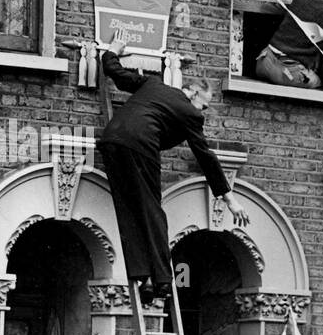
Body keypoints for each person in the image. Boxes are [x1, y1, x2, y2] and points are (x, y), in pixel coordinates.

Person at [99, 39, 249, 303]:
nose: (204, 111)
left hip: (111, 141)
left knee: (128, 209)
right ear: (191, 92)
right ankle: (162, 280)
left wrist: (113, 50)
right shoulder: (190, 113)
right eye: (204, 104)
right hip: (140, 146)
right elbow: (206, 156)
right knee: (152, 211)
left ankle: (142, 276)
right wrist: (229, 198)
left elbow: (116, 73)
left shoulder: (152, 84)